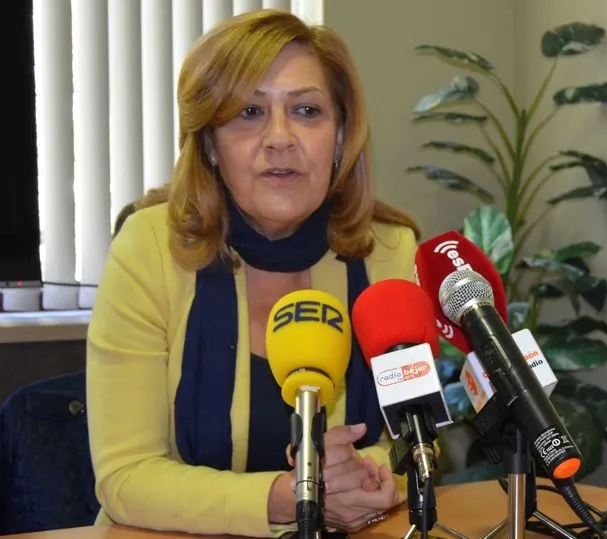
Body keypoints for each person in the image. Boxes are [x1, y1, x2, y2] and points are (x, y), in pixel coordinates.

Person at [86, 9, 421, 537]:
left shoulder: (389, 253)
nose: (280, 138)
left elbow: (413, 442)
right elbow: (126, 476)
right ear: (210, 145)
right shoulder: (148, 248)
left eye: (307, 110)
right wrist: (287, 497)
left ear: (340, 137)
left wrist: (369, 475)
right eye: (248, 112)